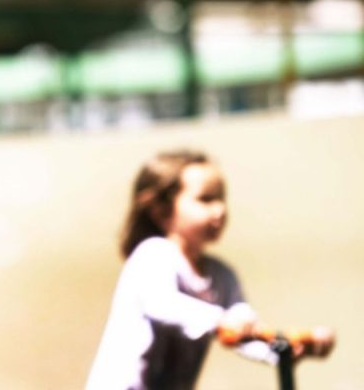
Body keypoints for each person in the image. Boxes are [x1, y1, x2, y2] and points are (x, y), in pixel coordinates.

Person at [85, 150, 335, 390]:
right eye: (206, 199)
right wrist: (219, 320)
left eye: (221, 198)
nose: (220, 209)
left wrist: (286, 349)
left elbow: (244, 328)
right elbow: (161, 304)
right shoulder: (153, 255)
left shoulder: (221, 275)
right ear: (162, 211)